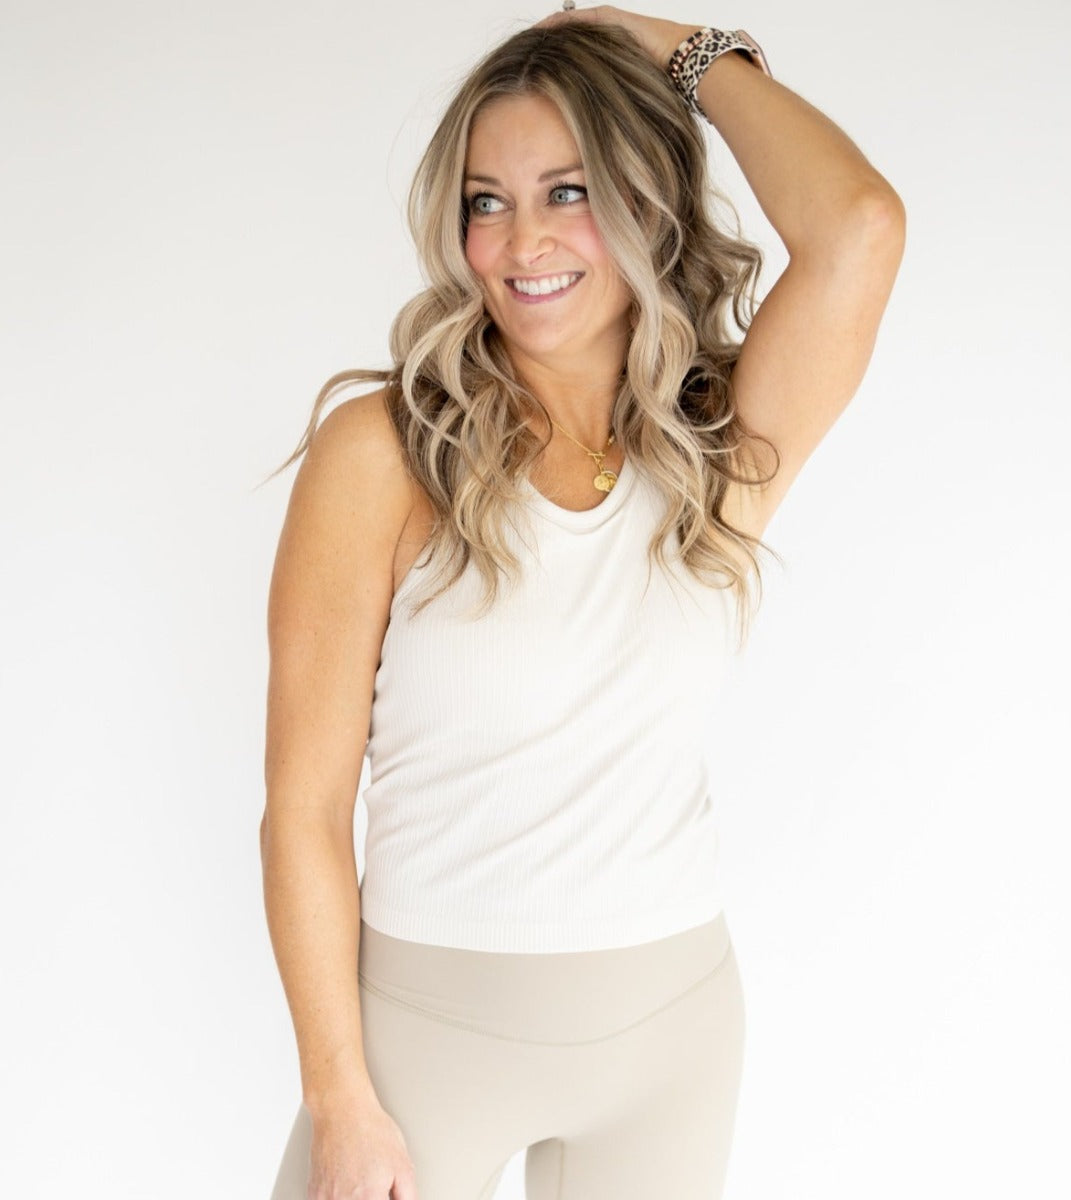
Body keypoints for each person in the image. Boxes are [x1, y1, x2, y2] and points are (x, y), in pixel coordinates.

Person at [259, 6, 905, 1198]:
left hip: (672, 1034)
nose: (520, 240)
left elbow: (861, 227)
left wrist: (665, 47)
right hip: (423, 1044)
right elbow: (303, 807)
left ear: (647, 200)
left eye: (568, 189)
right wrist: (338, 1094)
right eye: (485, 200)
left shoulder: (718, 454)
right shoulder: (386, 453)